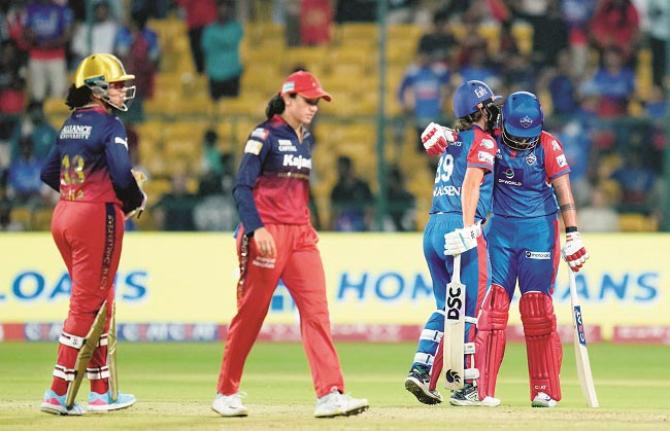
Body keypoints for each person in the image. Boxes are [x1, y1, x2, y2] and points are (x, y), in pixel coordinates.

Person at [212, 70, 369, 419]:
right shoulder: (263, 135)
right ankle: (225, 392)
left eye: (317, 102)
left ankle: (329, 394)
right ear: (288, 99)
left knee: (317, 312)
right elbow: (241, 187)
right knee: (252, 313)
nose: (314, 107)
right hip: (266, 235)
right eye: (308, 101)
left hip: (301, 236)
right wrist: (256, 230)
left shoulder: (305, 139)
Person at [445, 91, 589, 408]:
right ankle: (480, 390)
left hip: (539, 232)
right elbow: (463, 150)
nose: (524, 142)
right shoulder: (490, 140)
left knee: (537, 309)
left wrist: (573, 234)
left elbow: (564, 189)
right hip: (500, 232)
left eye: (529, 136)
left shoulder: (549, 144)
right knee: (493, 306)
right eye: (518, 135)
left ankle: (544, 390)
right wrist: (439, 136)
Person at [38, 53, 146, 415]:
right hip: (95, 218)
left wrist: (78, 192)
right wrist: (134, 200)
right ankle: (57, 392)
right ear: (97, 89)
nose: (121, 92)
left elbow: (49, 172)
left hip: (64, 214)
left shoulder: (71, 124)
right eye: (115, 85)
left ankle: (100, 392)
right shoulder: (110, 126)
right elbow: (120, 173)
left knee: (101, 299)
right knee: (87, 304)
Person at [404, 80, 501, 406]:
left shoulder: (455, 140)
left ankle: (419, 369)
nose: (495, 110)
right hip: (458, 226)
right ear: (479, 110)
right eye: (490, 104)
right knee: (469, 312)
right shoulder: (483, 142)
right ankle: (465, 388)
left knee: (445, 308)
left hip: (433, 226)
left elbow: (443, 144)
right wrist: (471, 225)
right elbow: (472, 182)